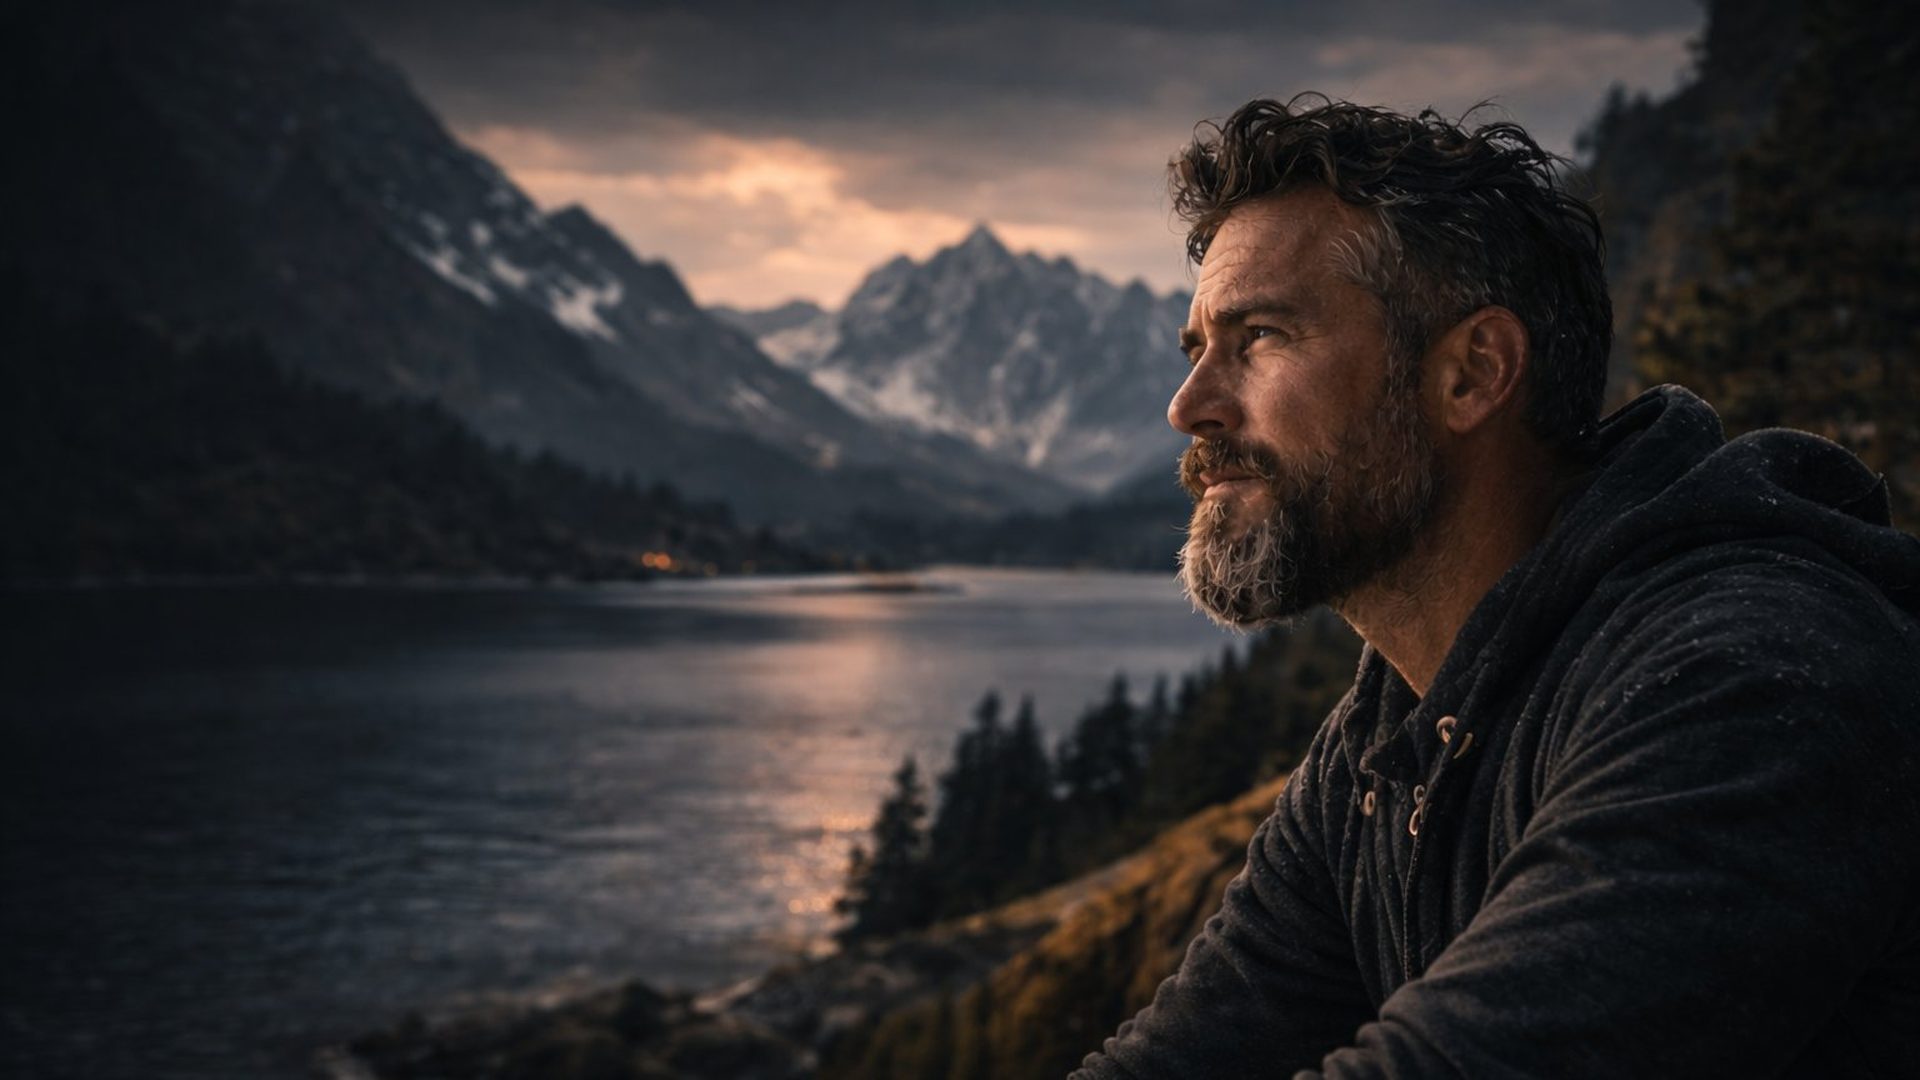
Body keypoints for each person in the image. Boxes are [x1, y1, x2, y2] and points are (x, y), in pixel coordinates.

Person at [1071, 95, 1920, 1079]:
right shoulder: (1391, 739)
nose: (1189, 407)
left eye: (1259, 337)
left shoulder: (1751, 678)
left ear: (1472, 374)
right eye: (1197, 351)